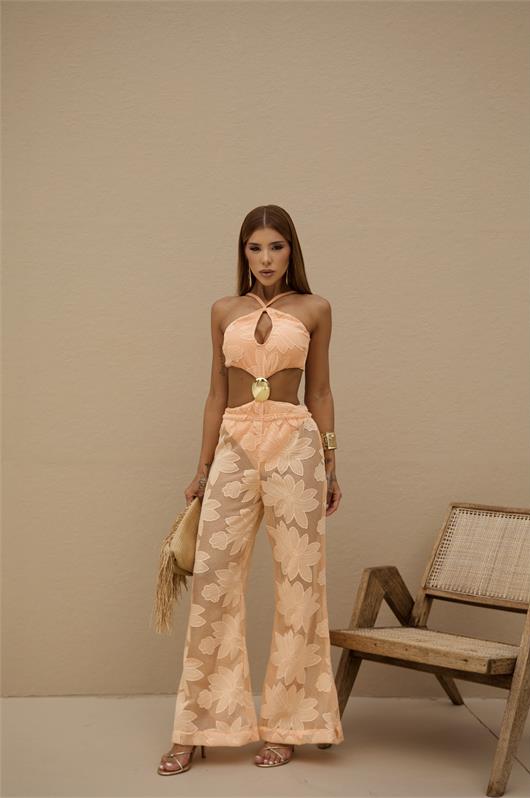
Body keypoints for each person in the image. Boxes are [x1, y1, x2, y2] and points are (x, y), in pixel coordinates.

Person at [158, 204, 344, 775]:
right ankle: (198, 727)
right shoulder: (223, 310)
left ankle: (291, 725)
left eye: (276, 247)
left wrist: (331, 462)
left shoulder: (315, 309)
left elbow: (320, 390)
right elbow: (216, 392)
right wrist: (202, 467)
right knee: (214, 582)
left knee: (300, 584)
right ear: (243, 252)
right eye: (255, 248)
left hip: (295, 444)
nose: (265, 259)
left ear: (292, 251)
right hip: (235, 443)